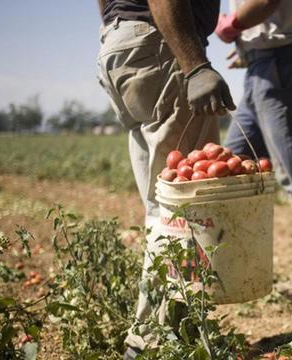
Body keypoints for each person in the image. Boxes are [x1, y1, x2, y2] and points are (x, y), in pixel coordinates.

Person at [95, 0, 235, 357]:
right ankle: (150, 345)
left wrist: (125, 30)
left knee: (163, 210)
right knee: (183, 213)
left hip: (121, 45)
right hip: (160, 45)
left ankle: (173, 334)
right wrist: (196, 65)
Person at [215, 0, 292, 299]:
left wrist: (231, 25)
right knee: (230, 166)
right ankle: (234, 267)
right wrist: (250, 48)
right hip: (261, 66)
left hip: (281, 64)